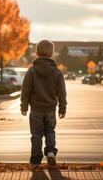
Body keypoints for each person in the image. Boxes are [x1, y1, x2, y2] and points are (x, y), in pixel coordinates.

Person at [20, 40, 67, 168]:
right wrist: (62, 108)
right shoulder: (57, 72)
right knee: (50, 132)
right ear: (52, 54)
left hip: (35, 110)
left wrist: (24, 106)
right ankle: (51, 152)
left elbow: (26, 89)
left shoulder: (32, 71)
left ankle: (35, 160)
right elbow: (62, 93)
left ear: (37, 53)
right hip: (51, 109)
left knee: (36, 134)